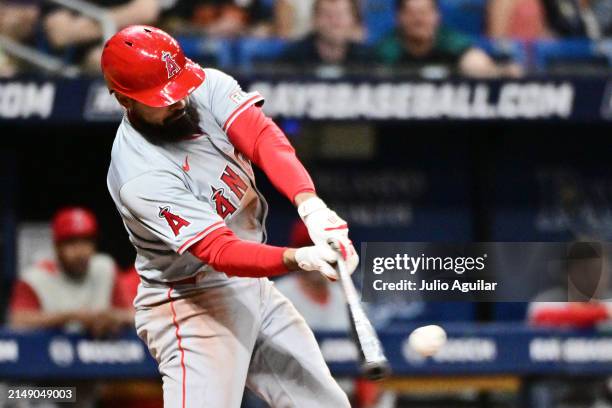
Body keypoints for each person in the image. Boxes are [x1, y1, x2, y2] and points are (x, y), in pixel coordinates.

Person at [102, 25, 359, 407]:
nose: (179, 100)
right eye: (163, 98)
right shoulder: (139, 174)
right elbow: (218, 251)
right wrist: (298, 257)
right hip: (190, 301)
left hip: (251, 288)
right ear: (126, 100)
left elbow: (263, 139)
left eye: (179, 86)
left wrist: (311, 207)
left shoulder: (205, 86)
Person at [9, 207, 133, 335]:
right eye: (72, 243)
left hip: (98, 352)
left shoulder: (105, 268)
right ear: (57, 247)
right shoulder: (35, 278)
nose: (80, 251)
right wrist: (72, 317)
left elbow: (133, 315)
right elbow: (18, 322)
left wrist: (114, 318)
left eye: (86, 241)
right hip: (47, 351)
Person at [377, 0, 522, 77]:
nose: (419, 20)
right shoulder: (387, 48)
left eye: (424, 13)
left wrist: (499, 72)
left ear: (437, 17)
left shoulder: (449, 40)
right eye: (412, 13)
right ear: (399, 17)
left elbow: (474, 60)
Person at [43, 0, 162, 72]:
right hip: (83, 55)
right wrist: (123, 17)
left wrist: (98, 24)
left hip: (135, 41)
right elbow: (59, 34)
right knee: (100, 57)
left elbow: (146, 11)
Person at [279, 0, 368, 66]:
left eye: (340, 15)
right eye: (327, 15)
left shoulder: (366, 59)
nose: (334, 22)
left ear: (353, 20)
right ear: (314, 20)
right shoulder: (293, 58)